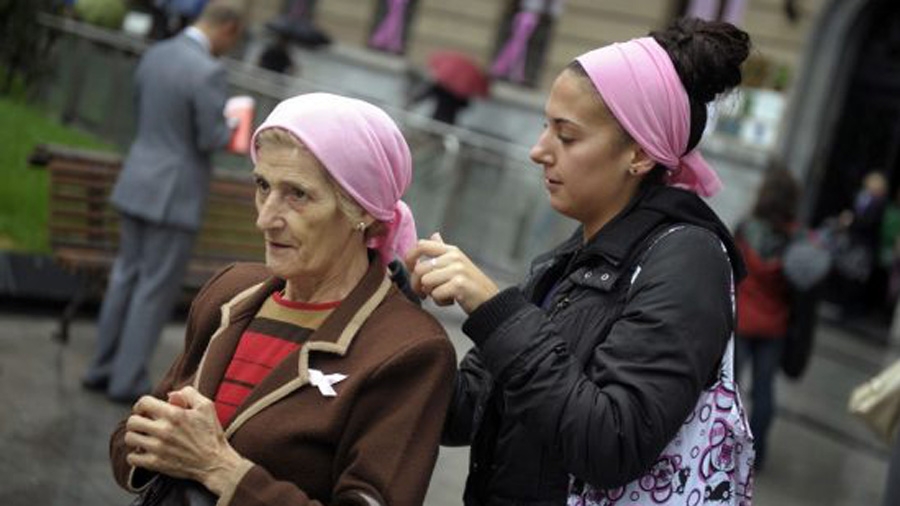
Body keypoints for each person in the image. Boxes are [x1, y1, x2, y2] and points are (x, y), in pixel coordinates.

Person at [406, 17, 754, 505]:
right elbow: (462, 412)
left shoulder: (687, 258)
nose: (538, 151)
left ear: (637, 153)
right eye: (544, 126)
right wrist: (393, 305)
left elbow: (611, 443)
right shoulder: (571, 258)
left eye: (566, 136)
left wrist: (497, 311)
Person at [108, 93, 457, 505]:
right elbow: (130, 441)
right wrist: (152, 440)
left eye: (297, 195)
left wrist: (221, 469)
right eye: (262, 185)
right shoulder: (231, 292)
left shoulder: (407, 350)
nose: (265, 218)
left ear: (359, 211)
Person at [81, 2, 245, 403]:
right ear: (227, 28)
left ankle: (100, 368)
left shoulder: (155, 53)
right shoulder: (208, 71)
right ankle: (127, 380)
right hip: (175, 193)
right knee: (153, 289)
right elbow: (209, 138)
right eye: (234, 38)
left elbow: (142, 113)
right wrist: (233, 125)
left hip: (138, 178)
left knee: (125, 277)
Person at [733, 164, 801, 471]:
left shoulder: (746, 228)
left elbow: (729, 269)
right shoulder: (794, 242)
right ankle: (757, 454)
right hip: (774, 324)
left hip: (743, 320)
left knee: (729, 386)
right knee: (764, 391)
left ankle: (720, 442)